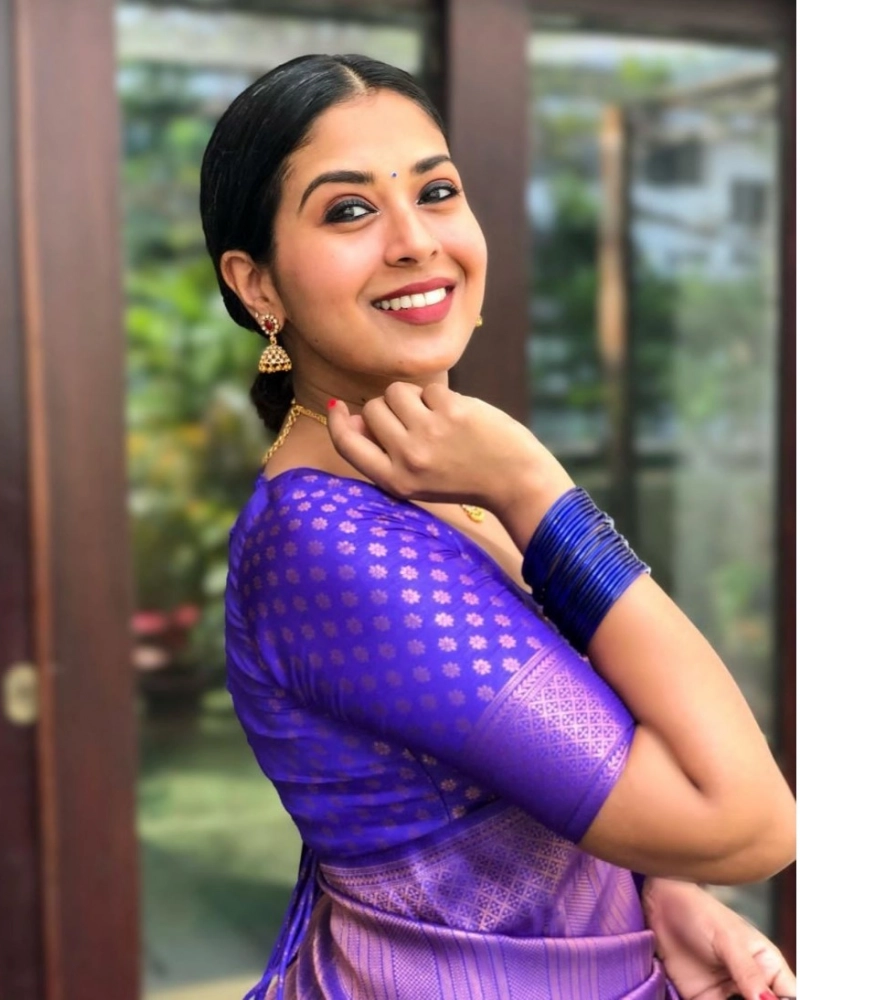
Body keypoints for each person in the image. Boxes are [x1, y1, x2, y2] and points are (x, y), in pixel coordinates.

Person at [200, 53, 797, 1000]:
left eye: (436, 191)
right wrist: (536, 486)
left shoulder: (431, 480)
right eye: (349, 210)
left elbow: (554, 755)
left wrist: (656, 888)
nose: (415, 240)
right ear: (258, 286)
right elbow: (750, 824)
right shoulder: (332, 543)